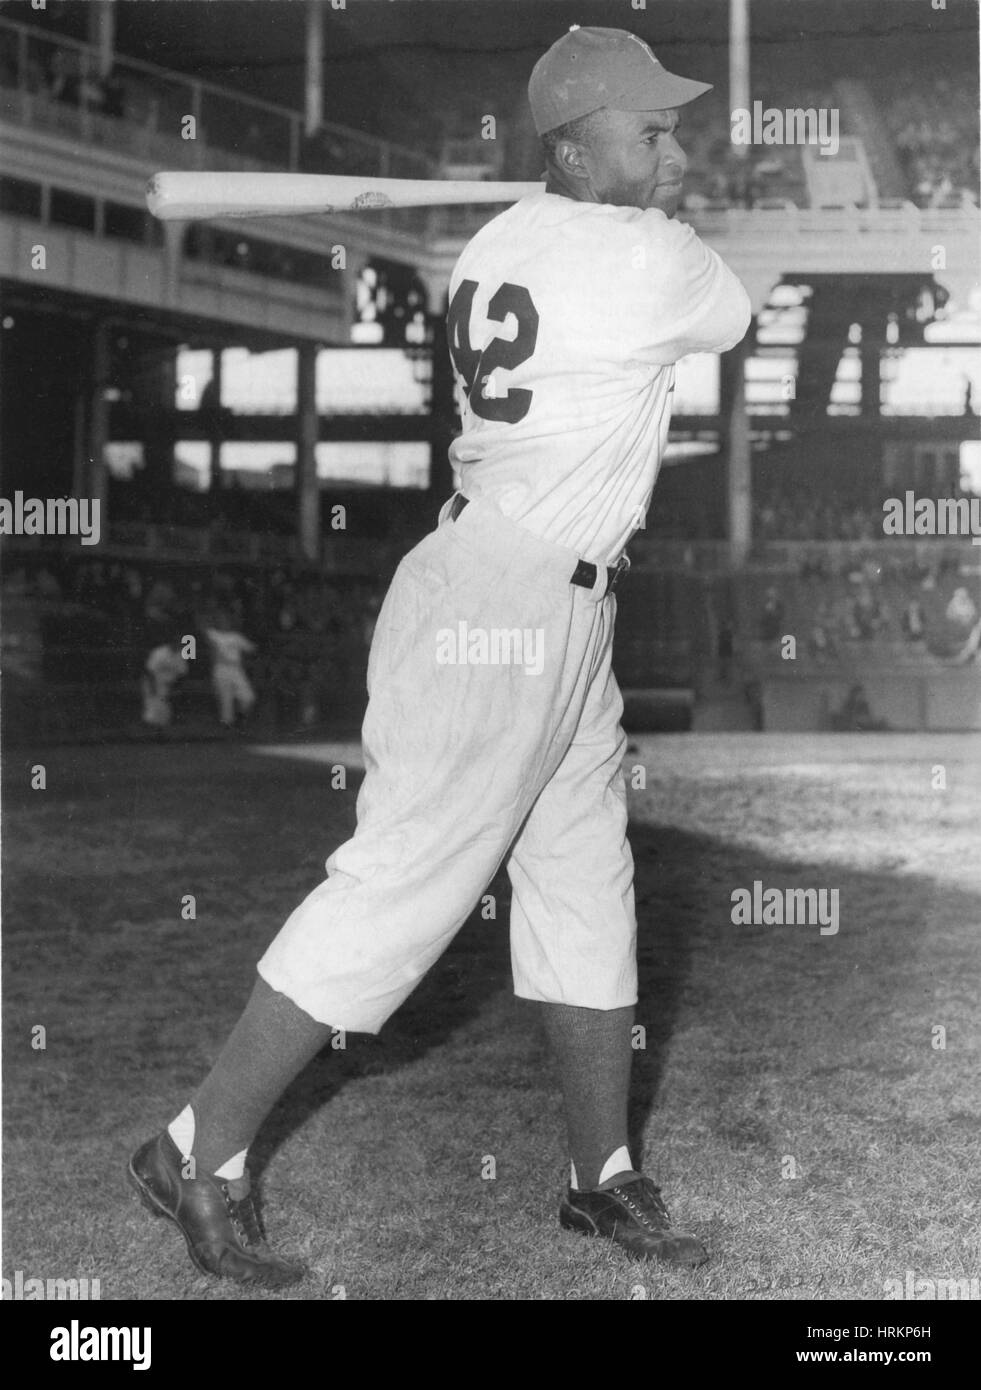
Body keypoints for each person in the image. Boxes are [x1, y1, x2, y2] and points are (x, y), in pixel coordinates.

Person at [129, 25, 751, 1288]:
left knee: (585, 880)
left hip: (544, 594)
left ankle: (601, 1176)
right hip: (510, 601)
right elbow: (732, 315)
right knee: (402, 885)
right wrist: (646, 213)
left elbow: (620, 259)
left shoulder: (498, 240)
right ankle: (199, 1150)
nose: (678, 149)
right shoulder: (652, 257)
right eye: (653, 131)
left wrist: (612, 193)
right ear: (577, 146)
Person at [205, 616, 257, 728]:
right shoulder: (213, 634)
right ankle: (228, 731)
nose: (224, 622)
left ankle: (239, 719)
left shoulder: (236, 636)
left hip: (236, 669)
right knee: (225, 700)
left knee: (248, 697)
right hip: (221, 668)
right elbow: (204, 633)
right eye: (221, 620)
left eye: (226, 620)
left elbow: (251, 648)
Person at [141, 636, 188, 731]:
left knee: (165, 710)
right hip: (153, 681)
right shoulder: (159, 652)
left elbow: (182, 673)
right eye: (177, 642)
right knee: (152, 706)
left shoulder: (181, 655)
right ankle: (149, 731)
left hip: (168, 685)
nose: (179, 645)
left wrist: (176, 688)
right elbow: (149, 671)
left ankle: (160, 732)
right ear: (171, 642)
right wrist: (153, 687)